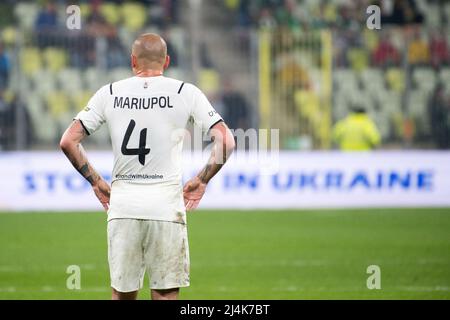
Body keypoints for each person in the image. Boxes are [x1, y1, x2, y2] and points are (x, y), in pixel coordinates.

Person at [59, 33, 235, 300]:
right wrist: (202, 180)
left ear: (132, 61)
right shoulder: (184, 92)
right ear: (166, 61)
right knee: (165, 295)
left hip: (123, 205)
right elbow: (226, 140)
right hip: (165, 206)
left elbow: (68, 141)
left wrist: (96, 182)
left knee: (122, 295)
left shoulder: (109, 92)